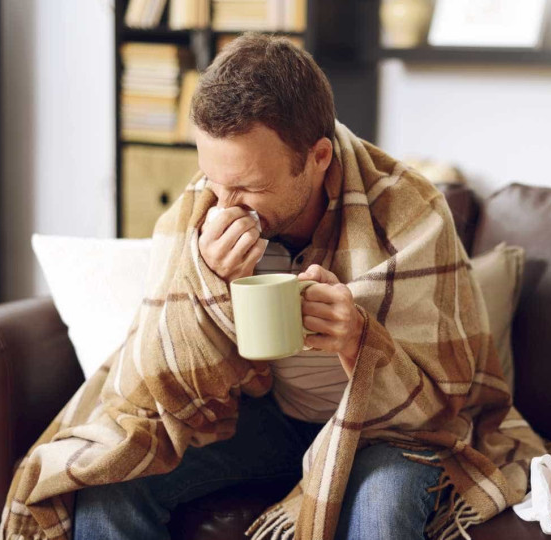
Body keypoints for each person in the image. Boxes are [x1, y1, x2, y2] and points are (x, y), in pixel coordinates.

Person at [73, 33, 458, 540]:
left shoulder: (411, 210)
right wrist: (208, 281)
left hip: (381, 433)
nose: (228, 204)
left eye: (251, 187)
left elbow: (445, 403)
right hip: (269, 420)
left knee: (381, 513)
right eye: (214, 179)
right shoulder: (201, 210)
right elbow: (161, 383)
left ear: (319, 157)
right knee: (108, 481)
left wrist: (361, 342)